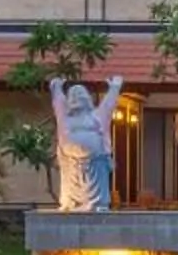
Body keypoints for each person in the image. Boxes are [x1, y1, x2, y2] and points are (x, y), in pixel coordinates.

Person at [52, 76, 124, 210]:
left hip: (95, 163)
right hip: (71, 164)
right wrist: (56, 87)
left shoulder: (96, 117)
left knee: (97, 188)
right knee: (70, 189)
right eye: (73, 95)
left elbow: (108, 106)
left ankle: (97, 203)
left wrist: (114, 87)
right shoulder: (66, 119)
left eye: (80, 94)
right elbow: (58, 104)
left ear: (87, 98)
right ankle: (72, 202)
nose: (77, 97)